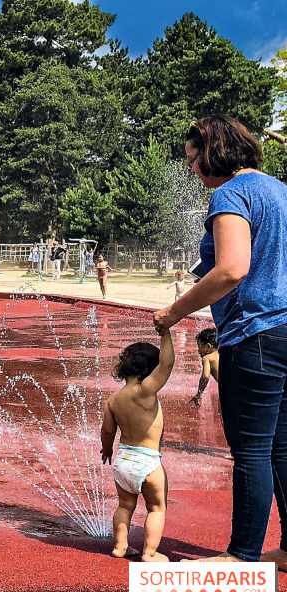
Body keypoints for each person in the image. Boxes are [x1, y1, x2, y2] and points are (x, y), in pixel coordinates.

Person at [153, 114, 287, 567]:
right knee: (283, 447)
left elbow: (232, 269)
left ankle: (242, 555)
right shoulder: (281, 190)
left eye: (194, 159)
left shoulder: (231, 194)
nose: (192, 170)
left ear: (216, 152)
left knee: (250, 449)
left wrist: (174, 312)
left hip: (256, 334)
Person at [101, 330, 174, 563]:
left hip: (123, 461)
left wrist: (107, 449)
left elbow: (107, 431)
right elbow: (168, 362)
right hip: (147, 461)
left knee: (124, 505)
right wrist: (166, 334)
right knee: (156, 508)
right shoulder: (145, 391)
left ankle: (121, 546)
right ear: (150, 371)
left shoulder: (113, 400)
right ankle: (149, 553)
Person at [190, 328, 219, 408]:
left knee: (223, 411)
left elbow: (205, 376)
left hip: (228, 387)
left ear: (208, 346)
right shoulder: (222, 353)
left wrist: (199, 393)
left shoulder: (207, 358)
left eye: (199, 347)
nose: (198, 351)